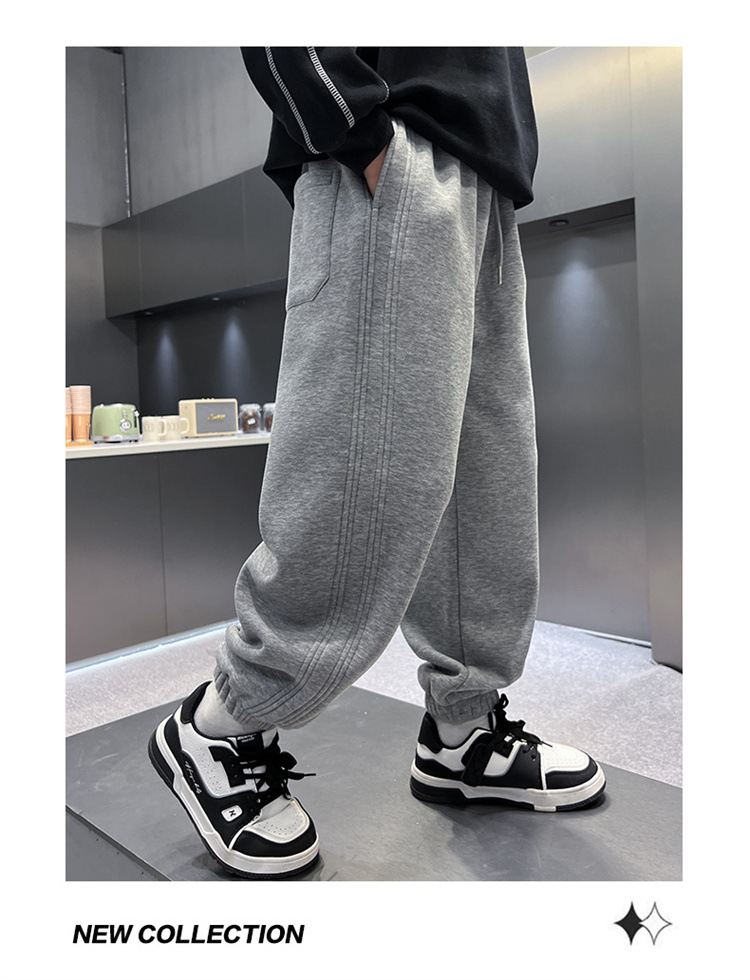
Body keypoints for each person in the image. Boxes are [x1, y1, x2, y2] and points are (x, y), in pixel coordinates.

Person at [148, 47, 606, 879]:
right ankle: (221, 724)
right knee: (367, 471)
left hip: (487, 182)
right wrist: (353, 128)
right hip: (392, 147)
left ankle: (462, 732)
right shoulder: (375, 143)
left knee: (486, 483)